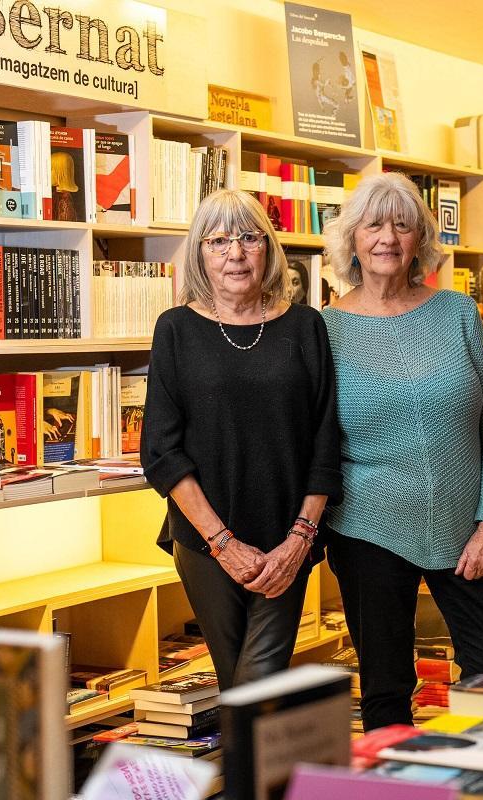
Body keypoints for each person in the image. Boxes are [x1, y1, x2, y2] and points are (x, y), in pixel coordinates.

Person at [322, 172, 483, 731]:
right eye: (373, 224)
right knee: (387, 689)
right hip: (366, 528)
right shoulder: (324, 329)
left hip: (468, 531)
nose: (388, 237)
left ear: (420, 241)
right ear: (352, 240)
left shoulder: (458, 313)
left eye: (403, 225)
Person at [140, 189, 342, 690]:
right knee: (239, 687)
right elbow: (161, 451)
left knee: (257, 685)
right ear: (199, 254)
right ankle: (248, 770)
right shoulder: (176, 330)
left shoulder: (305, 326)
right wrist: (222, 543)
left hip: (288, 540)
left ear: (268, 249)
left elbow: (326, 441)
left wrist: (300, 538)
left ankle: (248, 769)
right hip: (205, 541)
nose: (235, 253)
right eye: (219, 240)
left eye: (249, 238)